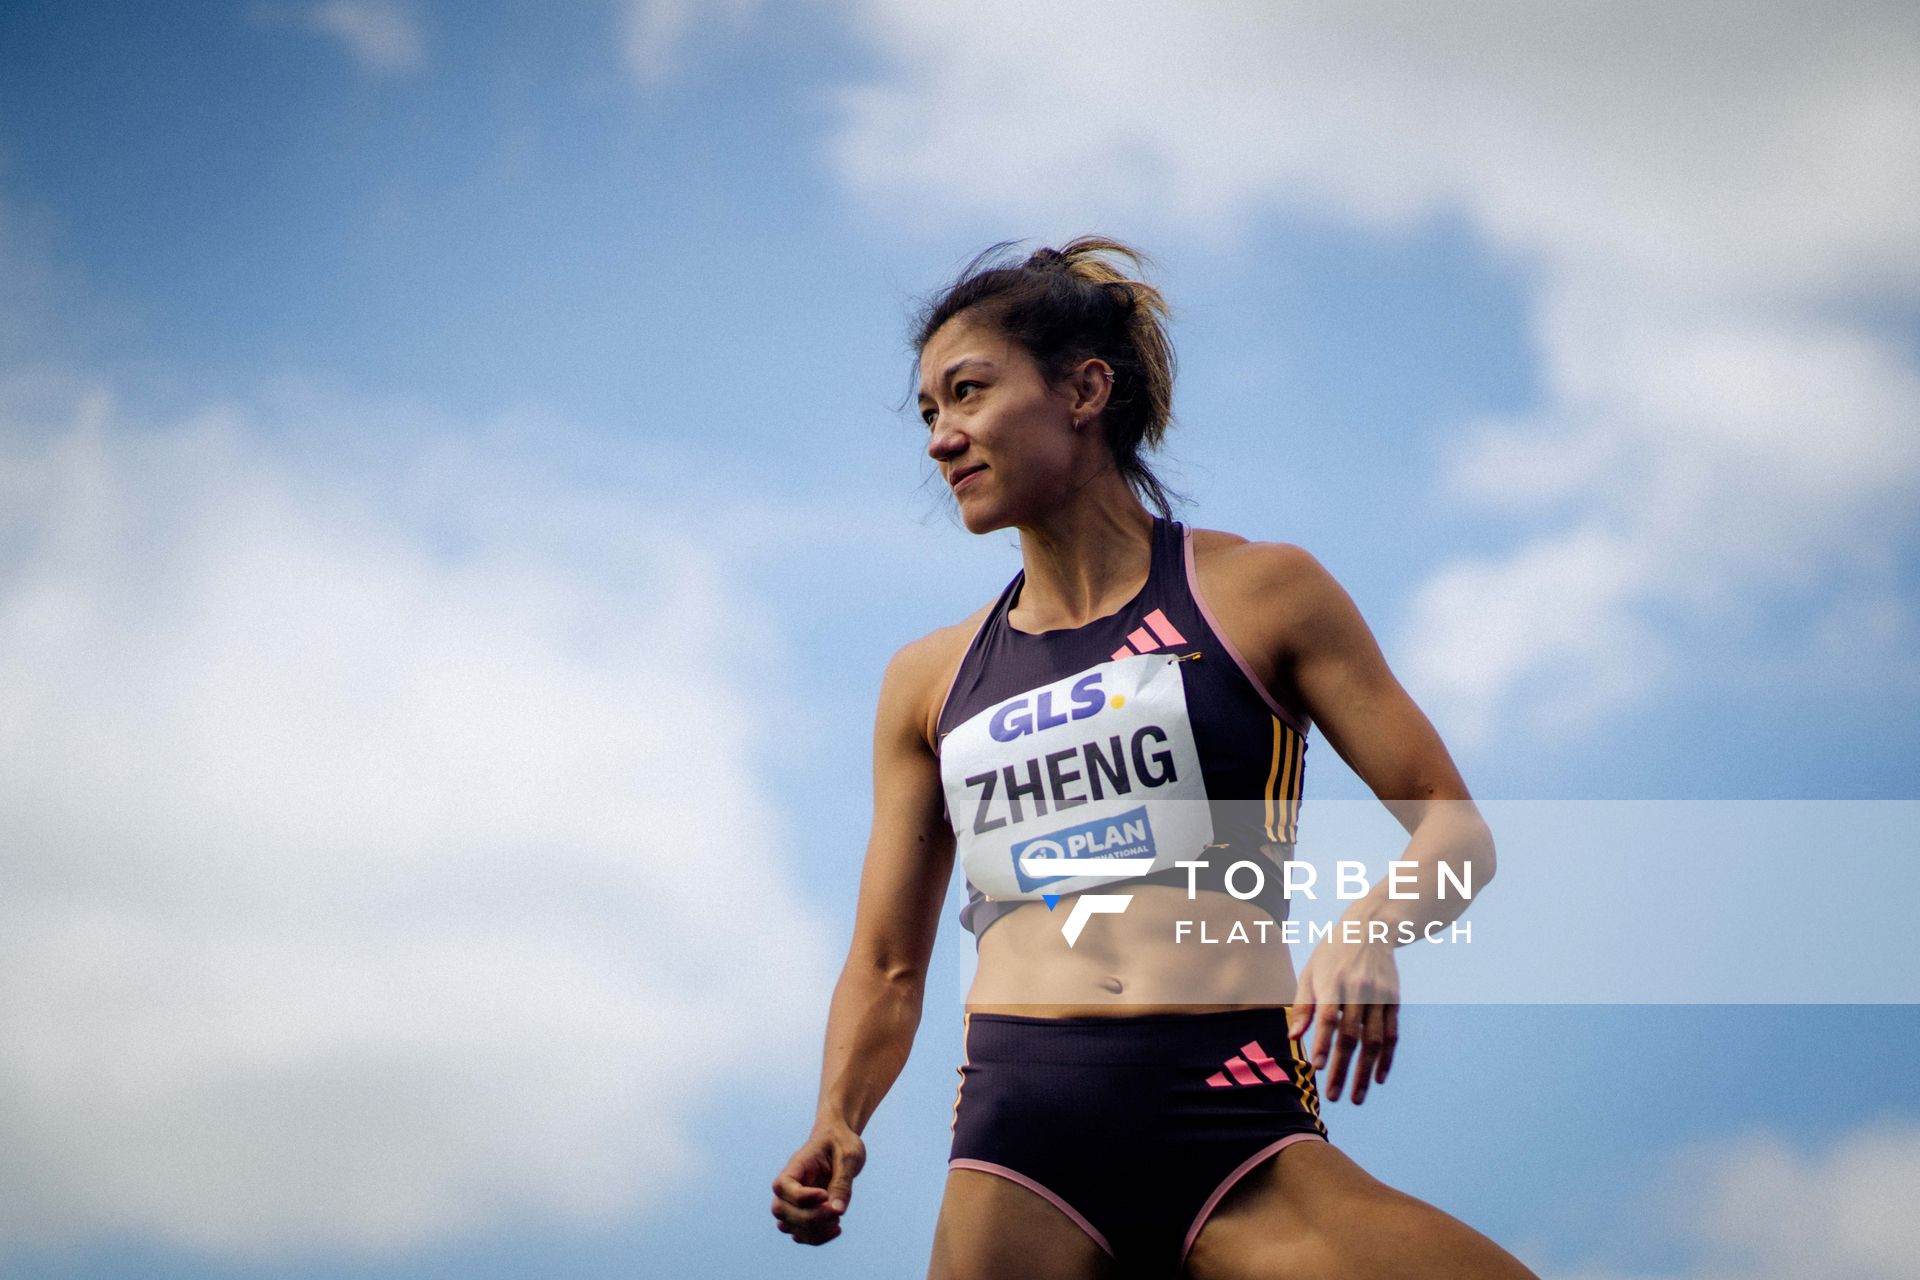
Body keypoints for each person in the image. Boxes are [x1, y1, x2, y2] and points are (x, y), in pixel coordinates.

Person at [771, 237, 1539, 1279]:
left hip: (1238, 1121)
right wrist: (838, 1113)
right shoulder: (929, 681)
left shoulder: (1263, 594)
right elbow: (887, 962)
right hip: (1019, 1152)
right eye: (927, 414)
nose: (942, 438)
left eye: (968, 393)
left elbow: (1456, 826)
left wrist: (1371, 931)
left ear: (1084, 389)